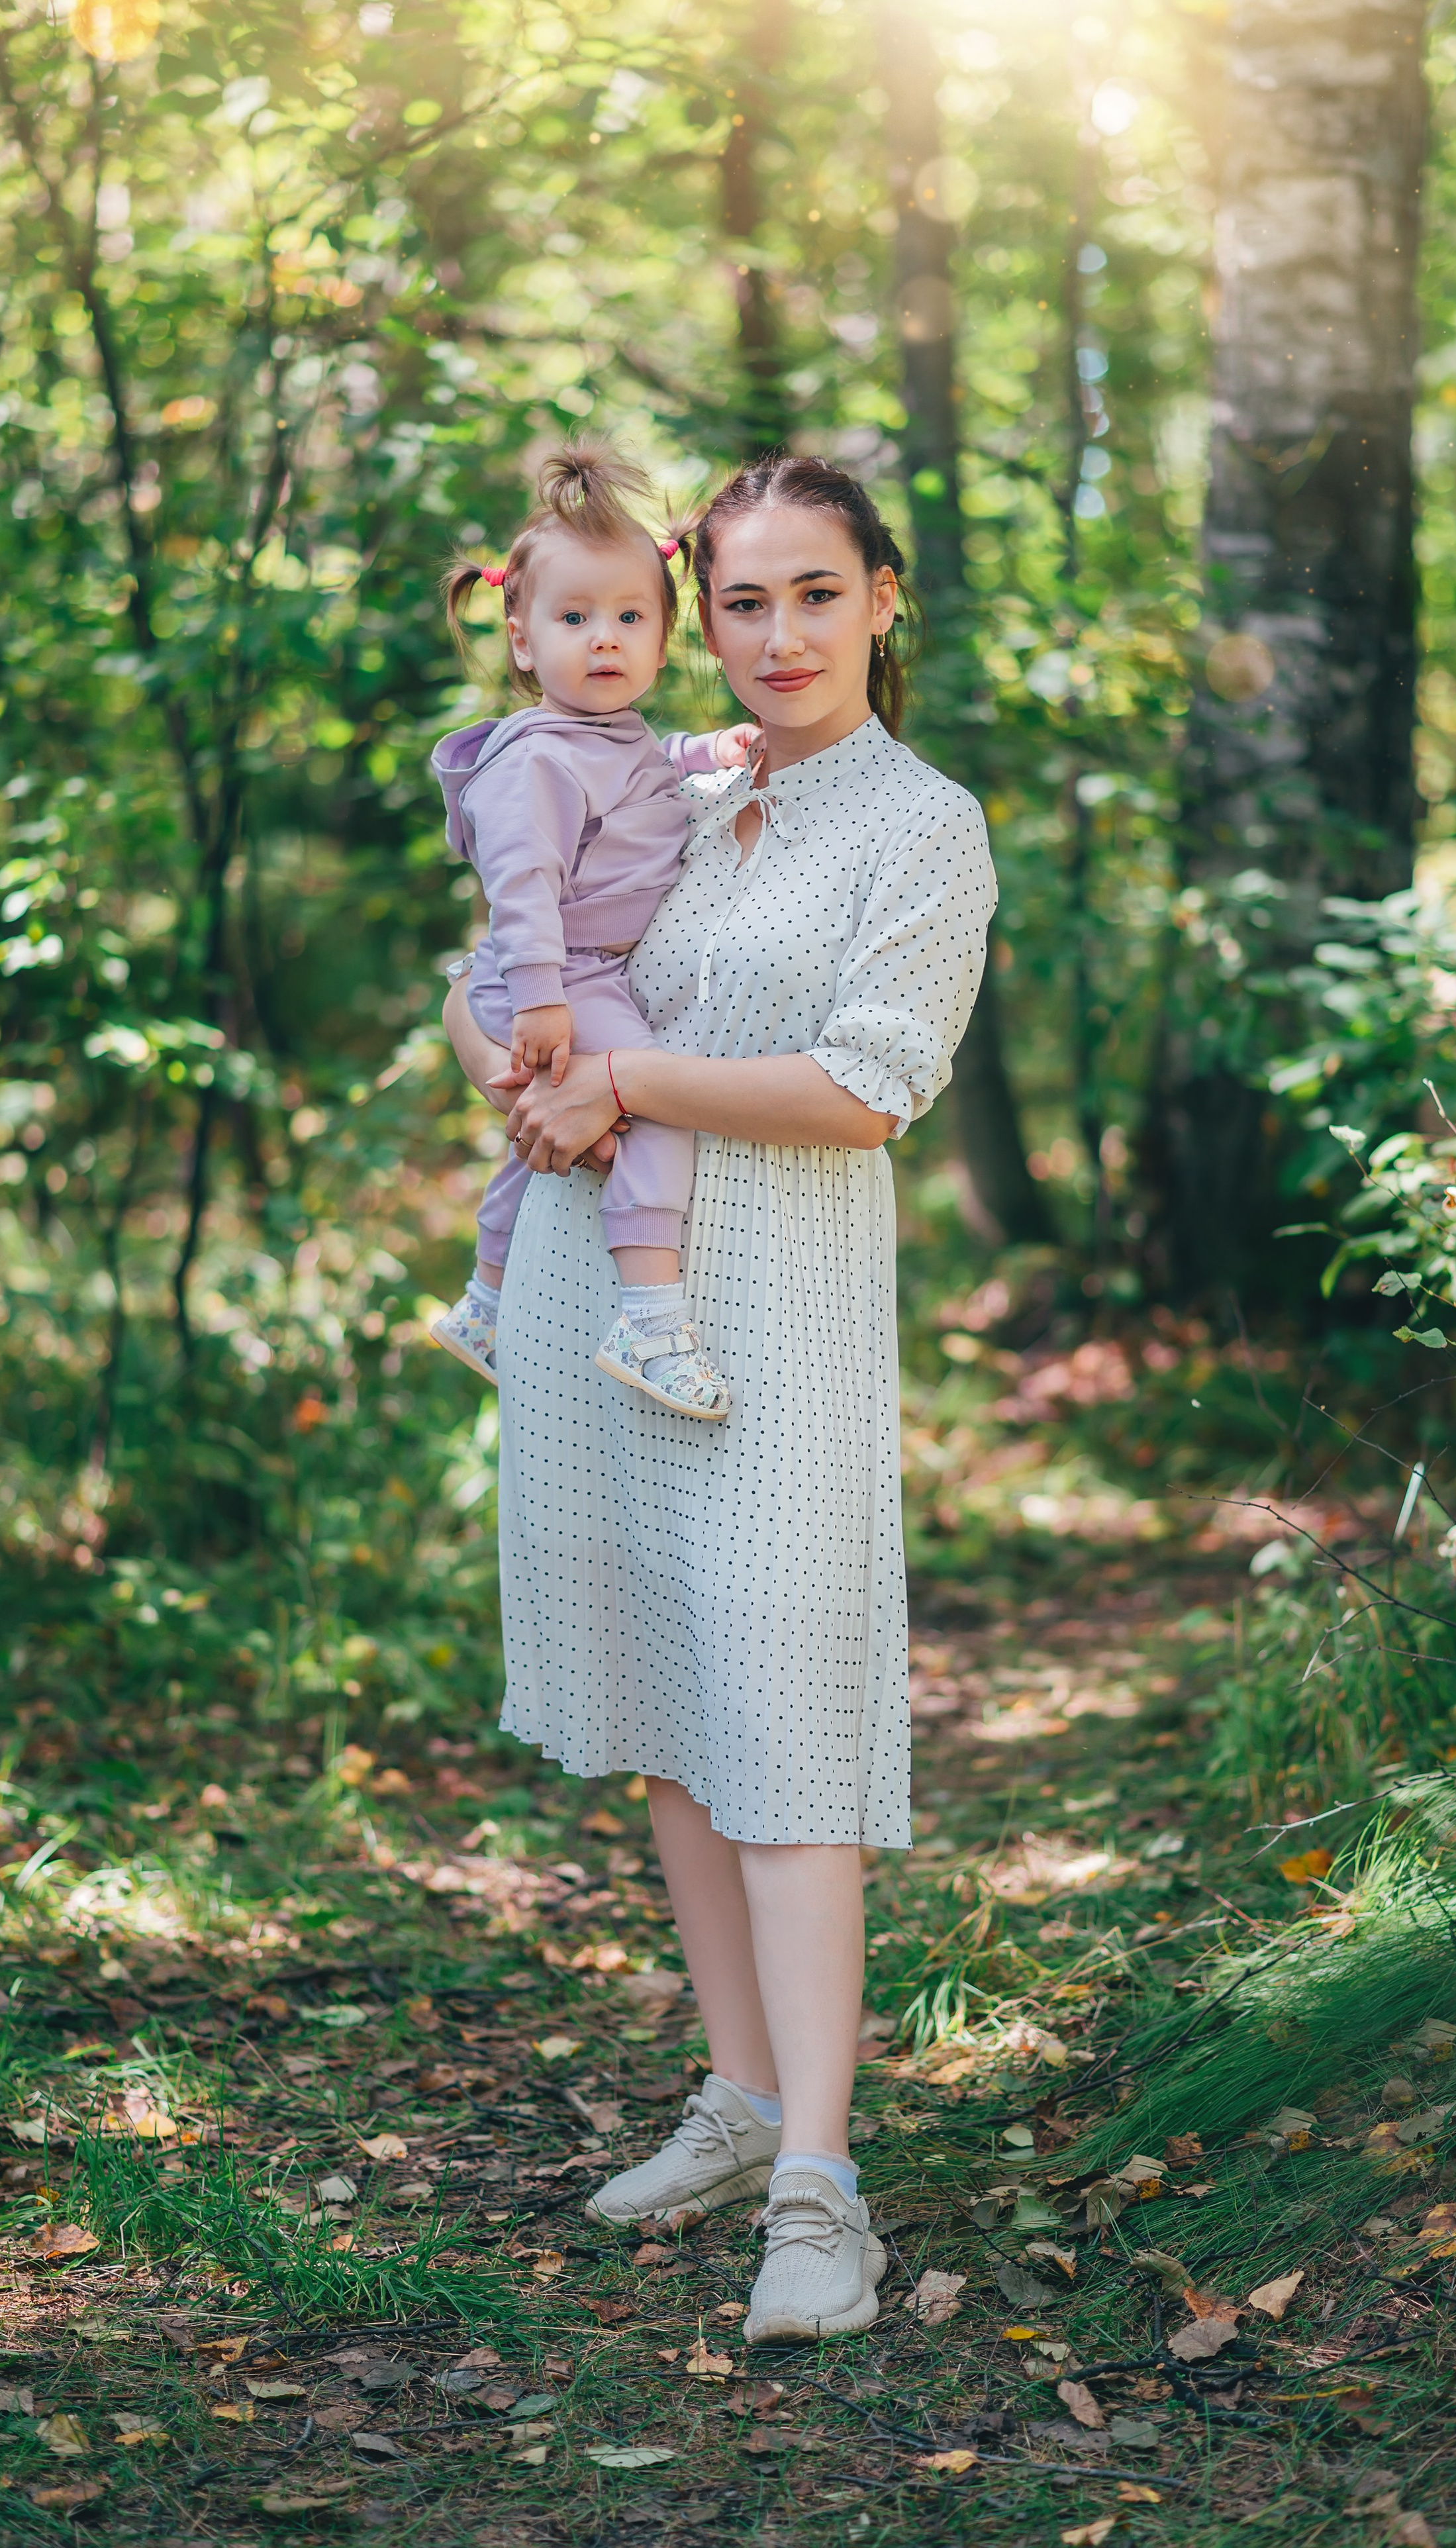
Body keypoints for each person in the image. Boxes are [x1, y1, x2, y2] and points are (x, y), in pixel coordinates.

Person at [443, 452, 996, 2343]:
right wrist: (511, 1062)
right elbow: (508, 962)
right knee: (678, 1718)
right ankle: (743, 2096)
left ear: (882, 599)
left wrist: (624, 1084)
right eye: (743, 601)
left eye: (814, 594)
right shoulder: (659, 776)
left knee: (787, 1731)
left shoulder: (919, 824)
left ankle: (822, 2189)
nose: (777, 635)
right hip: (595, 1310)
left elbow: (865, 1089)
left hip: (777, 1328)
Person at [426, 442, 756, 1416]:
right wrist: (539, 1000)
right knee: (657, 1108)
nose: (604, 640)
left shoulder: (613, 735)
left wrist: (710, 750)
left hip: (576, 972)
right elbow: (522, 886)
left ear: (663, 638)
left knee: (535, 1142)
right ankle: (651, 1323)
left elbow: (649, 766)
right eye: (574, 619)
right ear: (523, 641)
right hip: (557, 973)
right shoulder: (534, 760)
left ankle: (486, 1303)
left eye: (629, 618)